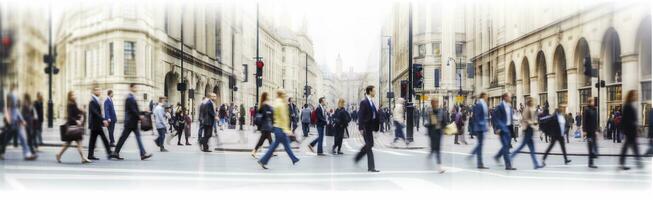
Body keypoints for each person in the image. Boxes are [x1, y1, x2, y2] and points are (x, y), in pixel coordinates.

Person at [257, 89, 300, 169]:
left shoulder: (276, 102)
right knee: (280, 145)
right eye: (284, 94)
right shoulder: (281, 104)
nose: (285, 96)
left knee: (282, 145)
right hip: (281, 128)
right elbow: (284, 118)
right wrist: (288, 130)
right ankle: (263, 160)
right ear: (282, 95)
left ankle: (294, 159)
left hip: (277, 127)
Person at [110, 83, 152, 160]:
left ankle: (142, 154)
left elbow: (135, 110)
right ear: (131, 88)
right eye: (135, 87)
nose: (136, 89)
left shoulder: (132, 97)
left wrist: (143, 112)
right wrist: (140, 116)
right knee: (123, 138)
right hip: (130, 123)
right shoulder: (129, 98)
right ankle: (116, 152)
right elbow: (133, 110)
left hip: (133, 122)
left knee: (135, 138)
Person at [0, 84, 37, 160]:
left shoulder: (13, 96)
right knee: (7, 138)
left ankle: (27, 154)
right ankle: (2, 152)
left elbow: (16, 110)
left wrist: (21, 119)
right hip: (13, 122)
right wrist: (9, 120)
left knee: (22, 138)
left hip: (16, 122)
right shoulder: (10, 96)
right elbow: (9, 109)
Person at [55, 91, 91, 164]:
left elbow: (76, 112)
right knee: (77, 142)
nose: (75, 96)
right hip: (73, 127)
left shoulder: (74, 103)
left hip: (74, 127)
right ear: (70, 96)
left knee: (70, 143)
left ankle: (59, 155)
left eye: (75, 94)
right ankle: (83, 158)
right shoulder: (70, 104)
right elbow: (70, 116)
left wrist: (81, 111)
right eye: (73, 95)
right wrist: (76, 121)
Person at [510, 97, 542, 169]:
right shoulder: (527, 109)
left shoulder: (530, 108)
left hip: (530, 130)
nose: (533, 102)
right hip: (527, 130)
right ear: (529, 102)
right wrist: (533, 122)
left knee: (532, 148)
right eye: (532, 101)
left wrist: (534, 122)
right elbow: (525, 119)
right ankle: (510, 157)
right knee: (522, 147)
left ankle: (535, 164)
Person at [354, 85, 380, 172]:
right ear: (370, 92)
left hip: (370, 127)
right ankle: (371, 167)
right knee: (369, 146)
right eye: (374, 91)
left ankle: (358, 156)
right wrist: (361, 128)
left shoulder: (371, 102)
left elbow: (374, 114)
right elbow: (360, 115)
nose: (375, 92)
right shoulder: (364, 102)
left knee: (370, 145)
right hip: (365, 127)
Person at [491, 93, 516, 170]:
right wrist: (496, 129)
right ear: (505, 97)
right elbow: (495, 118)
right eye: (509, 96)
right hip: (502, 129)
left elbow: (510, 118)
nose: (511, 98)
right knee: (505, 146)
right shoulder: (499, 106)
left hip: (509, 128)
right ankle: (508, 165)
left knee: (507, 146)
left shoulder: (509, 106)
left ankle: (497, 156)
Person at [618, 90, 643, 170]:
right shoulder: (627, 106)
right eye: (634, 95)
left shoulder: (630, 105)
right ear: (631, 96)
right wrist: (635, 125)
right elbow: (627, 120)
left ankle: (636, 161)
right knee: (629, 147)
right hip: (629, 131)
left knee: (631, 147)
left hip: (631, 131)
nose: (636, 96)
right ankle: (637, 161)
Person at [87, 86, 113, 160]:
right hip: (95, 124)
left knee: (93, 140)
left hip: (96, 124)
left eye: (99, 90)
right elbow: (95, 113)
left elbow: (98, 112)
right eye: (97, 90)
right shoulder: (92, 101)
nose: (99, 91)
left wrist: (102, 120)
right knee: (102, 138)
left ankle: (90, 155)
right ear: (94, 92)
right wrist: (103, 120)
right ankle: (109, 153)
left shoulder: (96, 100)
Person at [425, 97, 447, 173]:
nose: (436, 104)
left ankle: (431, 153)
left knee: (436, 149)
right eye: (434, 102)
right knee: (437, 149)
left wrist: (443, 128)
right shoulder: (429, 111)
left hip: (439, 133)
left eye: (437, 102)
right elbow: (429, 123)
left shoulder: (441, 111)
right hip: (432, 133)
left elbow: (444, 121)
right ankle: (440, 166)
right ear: (432, 103)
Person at [469, 92, 489, 169]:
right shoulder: (479, 104)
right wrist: (482, 124)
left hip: (482, 127)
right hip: (479, 128)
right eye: (486, 96)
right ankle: (479, 163)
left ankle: (473, 156)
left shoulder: (484, 104)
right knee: (480, 145)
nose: (487, 97)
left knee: (480, 144)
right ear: (483, 96)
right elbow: (476, 117)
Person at [251, 92, 273, 158]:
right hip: (266, 126)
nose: (269, 97)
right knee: (265, 140)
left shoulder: (262, 105)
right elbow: (266, 115)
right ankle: (255, 151)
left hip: (265, 126)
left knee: (266, 140)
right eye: (268, 96)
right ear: (266, 97)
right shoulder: (265, 106)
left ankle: (254, 151)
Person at [582, 98, 598, 168]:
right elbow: (584, 121)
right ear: (589, 102)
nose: (593, 102)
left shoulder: (594, 110)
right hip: (588, 132)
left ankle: (593, 157)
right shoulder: (586, 110)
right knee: (590, 146)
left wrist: (596, 129)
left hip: (593, 131)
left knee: (594, 145)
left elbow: (595, 121)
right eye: (592, 101)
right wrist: (584, 131)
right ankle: (590, 163)